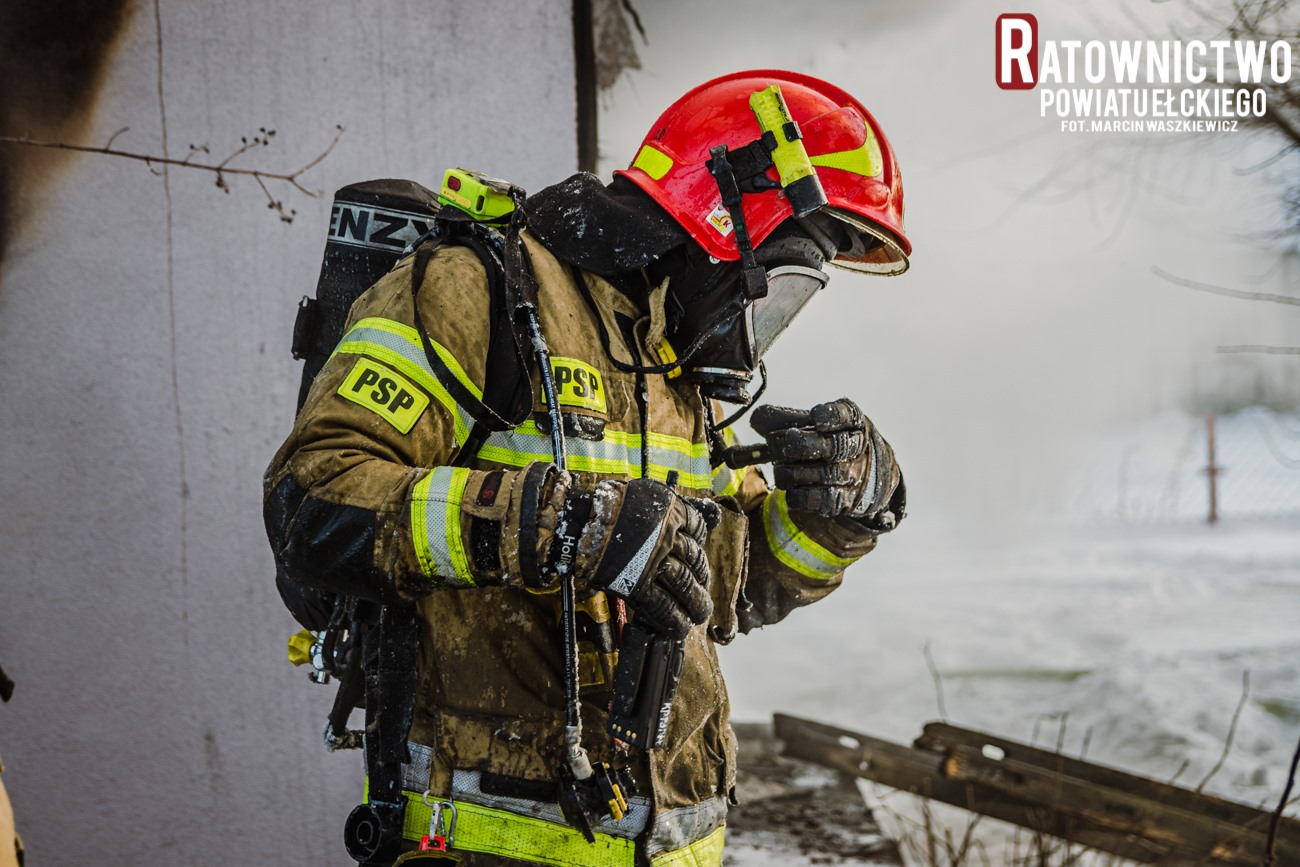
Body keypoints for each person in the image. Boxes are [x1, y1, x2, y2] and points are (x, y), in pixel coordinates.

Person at [265, 69, 910, 866]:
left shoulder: (673, 369)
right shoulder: (477, 292)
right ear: (720, 219)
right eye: (778, 288)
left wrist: (838, 515)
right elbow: (312, 497)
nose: (759, 329)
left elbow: (728, 585)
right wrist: (554, 524)